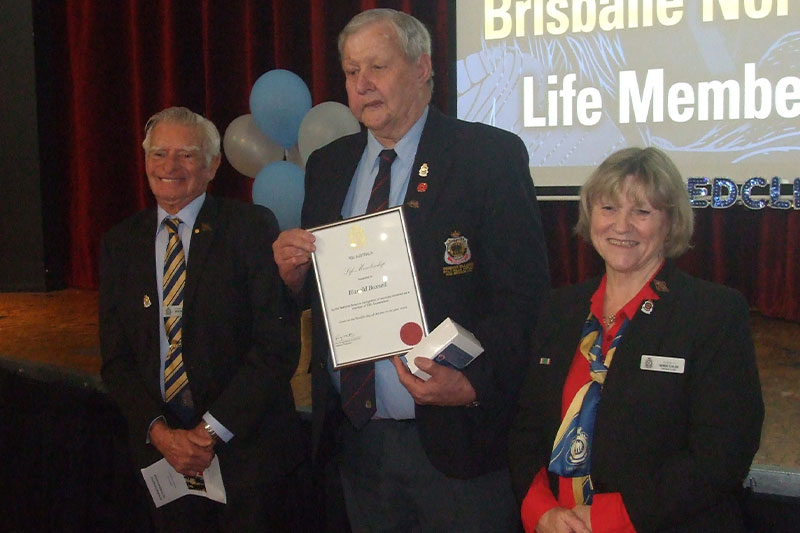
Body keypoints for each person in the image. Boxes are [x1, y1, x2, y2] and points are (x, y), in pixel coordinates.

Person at [272, 8, 550, 532]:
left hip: (456, 443)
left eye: (377, 66)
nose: (363, 84)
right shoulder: (329, 166)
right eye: (352, 71)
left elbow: (526, 299)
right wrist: (291, 278)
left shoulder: (487, 156)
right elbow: (317, 296)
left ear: (422, 68)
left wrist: (474, 385)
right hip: (355, 442)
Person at [508, 147, 764, 532]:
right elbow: (525, 428)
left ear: (670, 222)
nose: (621, 226)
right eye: (608, 208)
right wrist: (541, 510)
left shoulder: (713, 314)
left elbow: (722, 454)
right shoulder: (559, 310)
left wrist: (608, 519)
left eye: (642, 212)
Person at [99, 106, 305, 531]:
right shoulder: (120, 243)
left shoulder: (250, 227)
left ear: (212, 166)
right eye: (158, 154)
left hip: (246, 457)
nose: (170, 166)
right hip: (164, 460)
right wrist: (162, 436)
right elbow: (116, 361)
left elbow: (276, 347)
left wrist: (207, 434)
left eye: (187, 155)